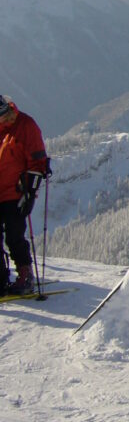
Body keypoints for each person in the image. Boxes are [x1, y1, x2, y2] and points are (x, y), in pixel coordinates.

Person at [0, 95, 49, 295]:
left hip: (15, 193)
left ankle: (25, 275)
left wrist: (29, 191)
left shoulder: (25, 126)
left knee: (14, 236)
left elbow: (38, 161)